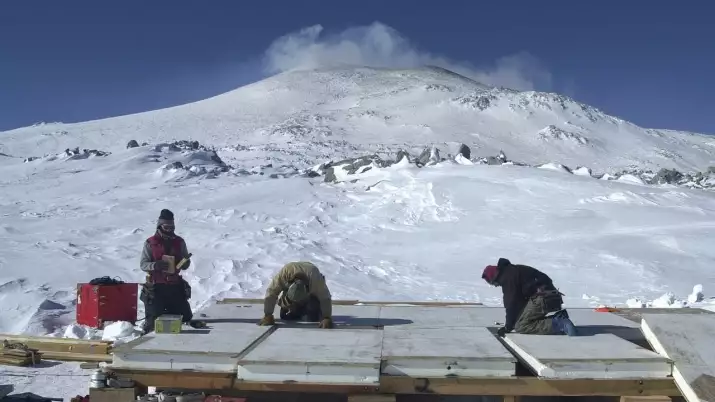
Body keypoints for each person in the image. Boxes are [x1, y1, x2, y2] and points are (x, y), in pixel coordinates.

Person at [482, 257, 577, 337]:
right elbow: (518, 303)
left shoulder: (508, 278)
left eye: (493, 283)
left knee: (521, 326)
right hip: (550, 296)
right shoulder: (511, 271)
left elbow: (511, 304)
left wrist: (508, 327)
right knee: (520, 320)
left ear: (494, 278)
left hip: (543, 297)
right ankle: (559, 317)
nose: (495, 286)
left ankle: (558, 323)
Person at [139, 209, 193, 334]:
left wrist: (185, 263)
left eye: (172, 227)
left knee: (185, 319)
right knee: (153, 324)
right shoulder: (150, 243)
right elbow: (143, 264)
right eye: (166, 227)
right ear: (160, 226)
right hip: (156, 288)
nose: (169, 229)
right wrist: (155, 265)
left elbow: (185, 263)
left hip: (175, 287)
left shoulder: (179, 242)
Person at [258, 261, 334, 329]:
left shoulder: (315, 279)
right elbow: (271, 293)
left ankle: (307, 309)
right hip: (289, 296)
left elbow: (325, 297)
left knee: (312, 318)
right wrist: (268, 315)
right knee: (285, 316)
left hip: (309, 298)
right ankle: (293, 308)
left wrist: (326, 317)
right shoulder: (284, 275)